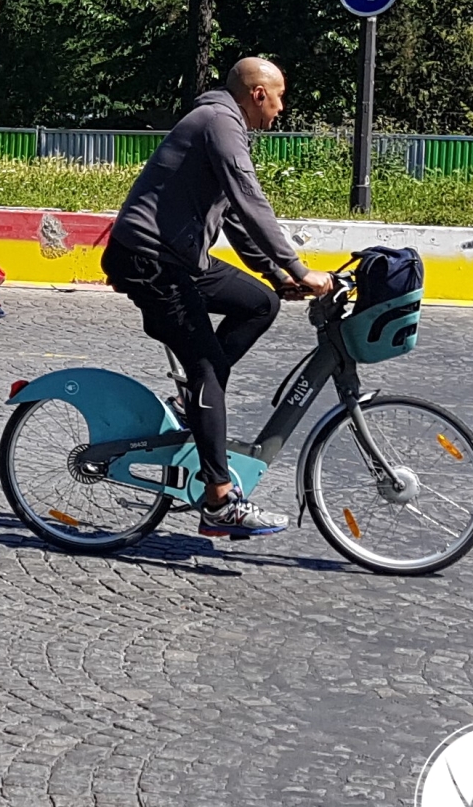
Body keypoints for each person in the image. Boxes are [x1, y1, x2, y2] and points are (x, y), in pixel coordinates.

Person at [101, 57, 335, 537]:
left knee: (259, 304)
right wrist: (298, 267)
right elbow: (251, 199)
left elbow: (232, 216)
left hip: (179, 259)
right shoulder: (219, 122)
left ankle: (199, 398)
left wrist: (276, 277)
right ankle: (219, 500)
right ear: (258, 94)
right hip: (149, 261)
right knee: (206, 366)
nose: (282, 107)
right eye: (280, 96)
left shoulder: (222, 125)